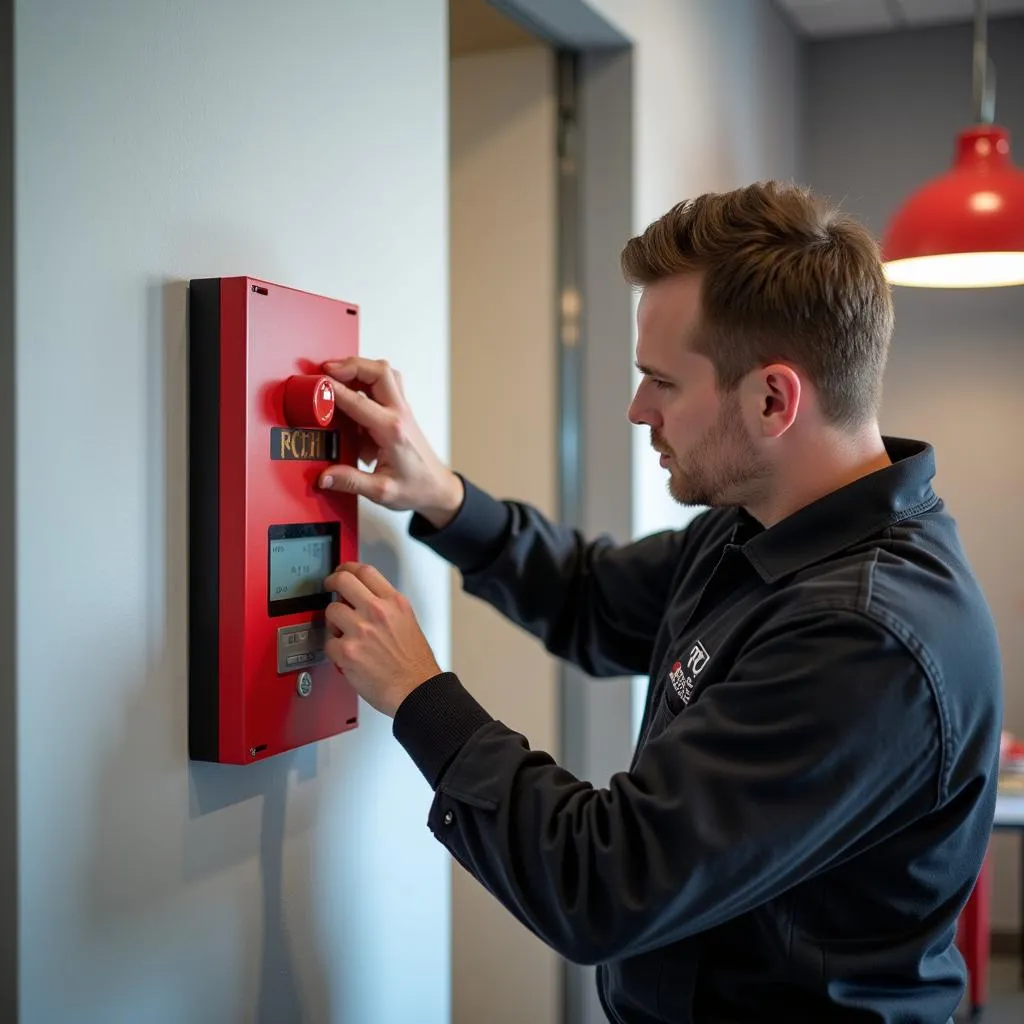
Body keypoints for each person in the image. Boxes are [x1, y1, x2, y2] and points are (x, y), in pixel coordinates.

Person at [315, 181, 1002, 1024]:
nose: (638, 411)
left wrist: (421, 699)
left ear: (773, 399)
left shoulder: (862, 638)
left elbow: (606, 882)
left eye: (661, 383)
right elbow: (595, 599)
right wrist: (445, 497)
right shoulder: (761, 522)